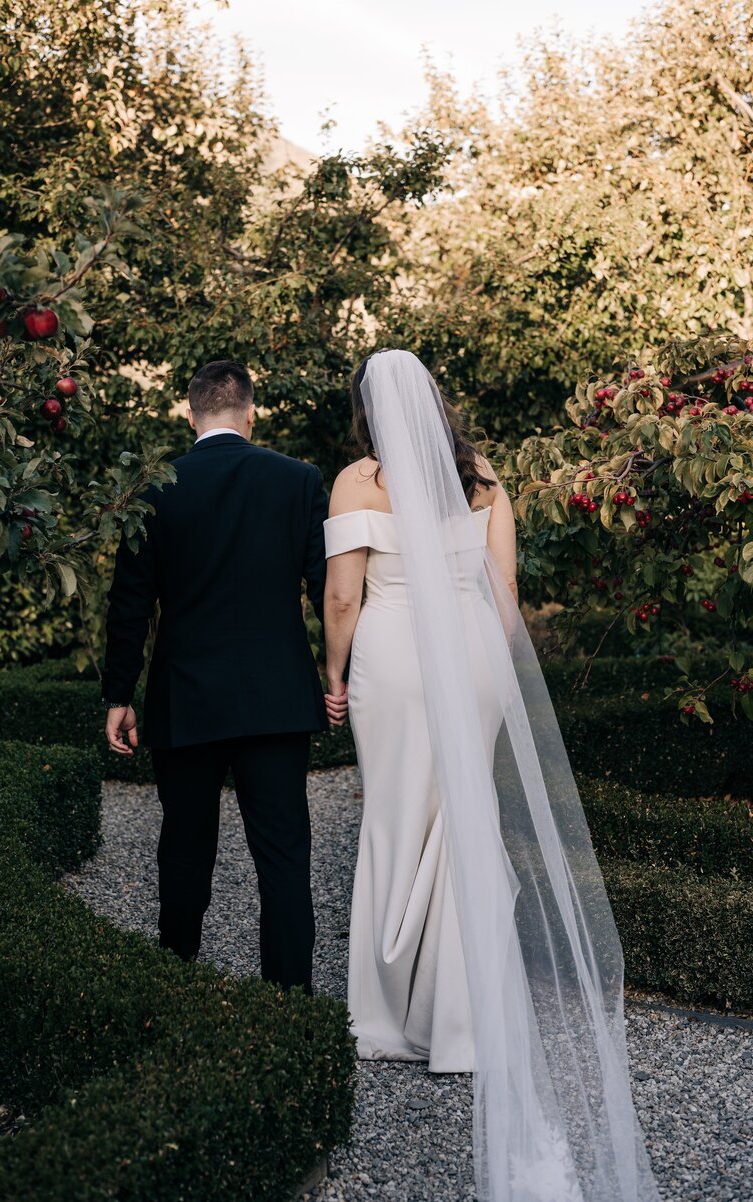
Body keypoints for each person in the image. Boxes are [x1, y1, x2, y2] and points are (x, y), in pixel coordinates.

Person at [322, 349, 660, 1201]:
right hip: (472, 659)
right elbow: (503, 587)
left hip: (394, 662)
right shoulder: (484, 480)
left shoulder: (358, 481)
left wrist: (332, 675)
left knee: (399, 821)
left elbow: (341, 598)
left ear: (369, 408)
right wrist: (500, 676)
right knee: (461, 821)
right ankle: (464, 1027)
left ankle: (387, 1017)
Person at [101, 360, 328, 993]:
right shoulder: (300, 480)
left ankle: (175, 989)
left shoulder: (154, 489)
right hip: (277, 698)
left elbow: (130, 602)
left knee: (184, 849)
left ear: (189, 412)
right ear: (250, 412)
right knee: (284, 859)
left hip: (187, 698)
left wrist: (120, 694)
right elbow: (328, 589)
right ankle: (290, 1007)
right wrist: (338, 678)